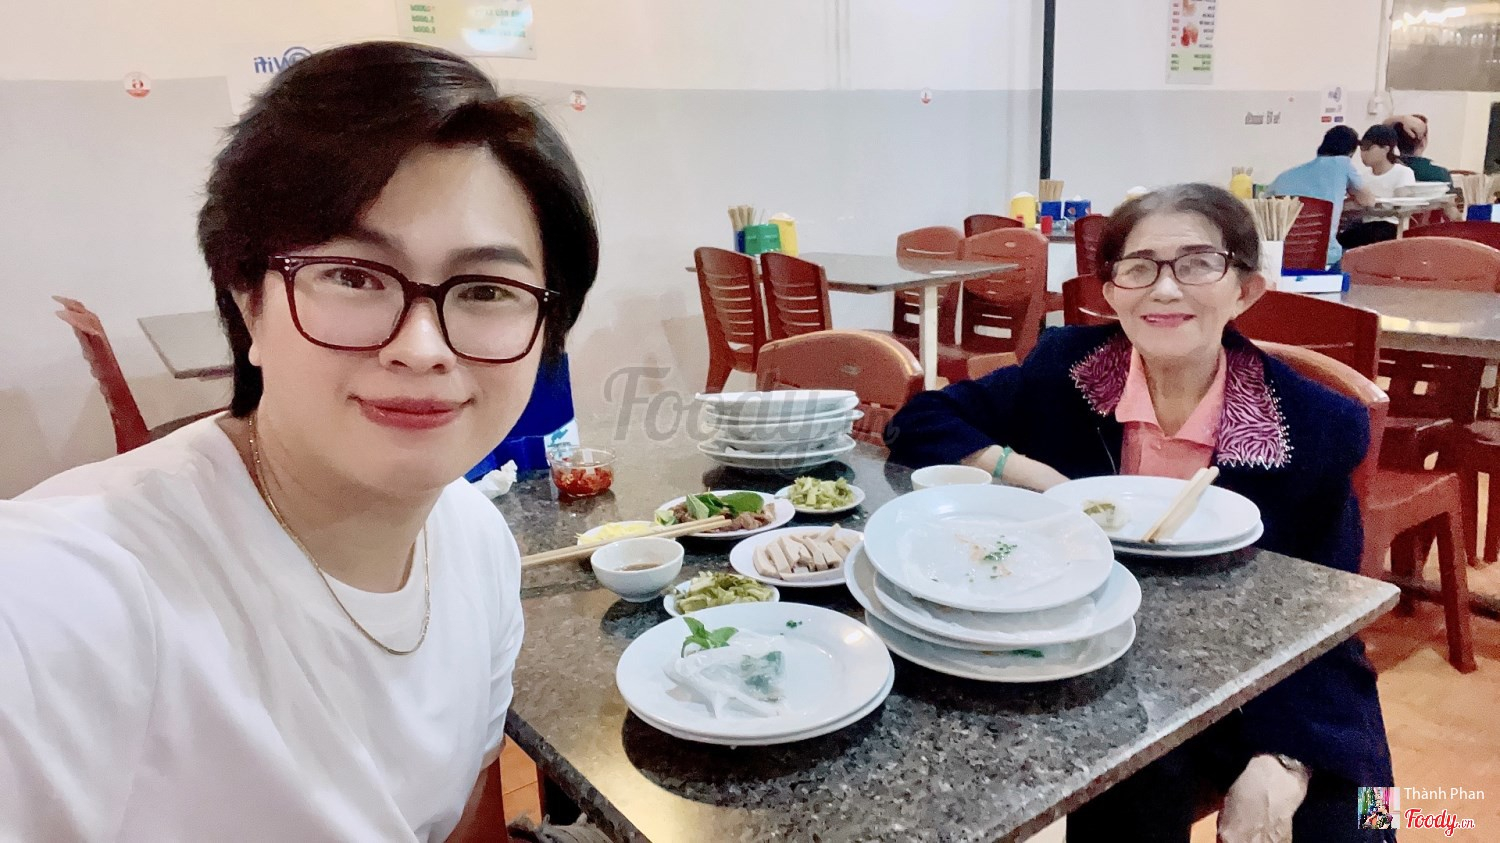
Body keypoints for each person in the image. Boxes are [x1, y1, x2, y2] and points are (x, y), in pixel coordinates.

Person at [1, 42, 601, 841]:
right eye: (353, 275)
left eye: (487, 289)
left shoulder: (479, 545)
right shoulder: (74, 594)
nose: (422, 347)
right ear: (246, 299)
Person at [886, 183, 1395, 843]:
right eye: (1139, 267)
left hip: (1264, 676)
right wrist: (1039, 478)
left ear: (1246, 289)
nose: (1165, 289)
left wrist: (1285, 757)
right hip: (1111, 667)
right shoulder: (1067, 369)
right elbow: (922, 420)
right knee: (1127, 795)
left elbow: (1327, 611)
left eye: (1198, 263)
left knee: (1364, 823)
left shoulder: (1316, 424)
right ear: (1111, 291)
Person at [1269, 125, 1377, 267]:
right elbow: (1368, 201)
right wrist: (1336, 207)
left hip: (1281, 256)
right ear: (1351, 152)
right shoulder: (1343, 164)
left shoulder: (1283, 178)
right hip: (1324, 255)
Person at [1338, 124, 1417, 251]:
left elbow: (1403, 206)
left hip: (1392, 226)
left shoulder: (1403, 172)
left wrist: (1370, 206)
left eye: (1368, 147)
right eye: (1361, 148)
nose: (1363, 153)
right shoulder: (1363, 176)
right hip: (1365, 225)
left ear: (1386, 149)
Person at [1385, 113, 1452, 183]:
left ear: (1395, 141)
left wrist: (1401, 118)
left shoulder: (1385, 169)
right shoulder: (1441, 174)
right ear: (1423, 142)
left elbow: (1379, 133)